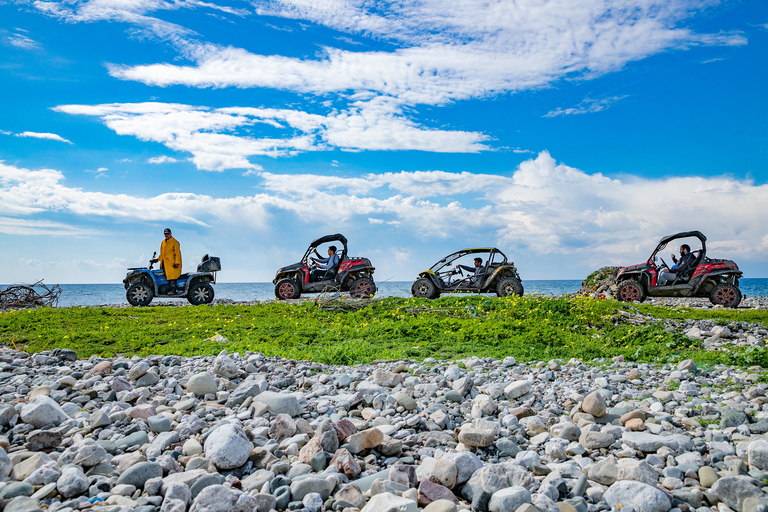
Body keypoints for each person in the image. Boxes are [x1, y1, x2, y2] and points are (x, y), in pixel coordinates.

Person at [158, 228, 182, 294]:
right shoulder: (163, 242)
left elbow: (177, 253)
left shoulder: (174, 242)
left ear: (170, 234)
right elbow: (162, 253)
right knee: (164, 276)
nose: (166, 235)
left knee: (172, 277)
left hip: (171, 263)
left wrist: (177, 262)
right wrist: (157, 260)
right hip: (164, 263)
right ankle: (165, 290)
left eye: (168, 234)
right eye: (165, 234)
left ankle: (173, 290)